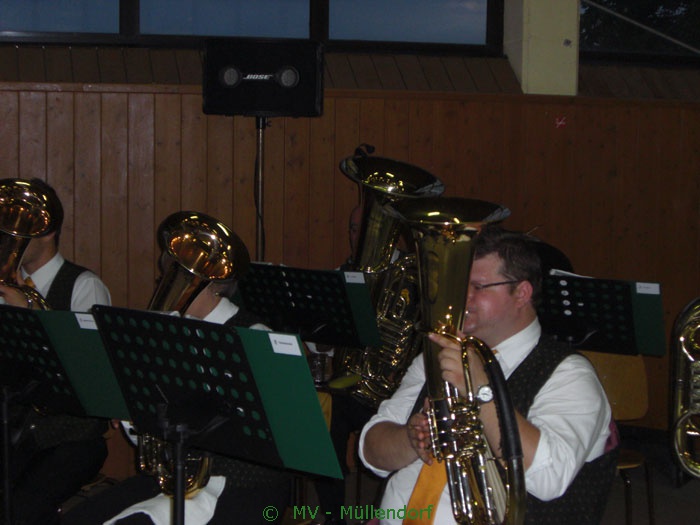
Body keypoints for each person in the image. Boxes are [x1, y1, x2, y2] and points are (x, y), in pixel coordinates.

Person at [359, 225, 619, 524]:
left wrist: (482, 389)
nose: (461, 297)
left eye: (478, 287)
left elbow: (549, 478)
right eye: (459, 284)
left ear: (521, 293)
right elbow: (370, 450)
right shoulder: (438, 353)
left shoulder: (570, 375)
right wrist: (411, 440)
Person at [61, 277, 291, 525]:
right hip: (174, 478)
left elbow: (272, 435)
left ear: (214, 283)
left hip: (240, 485)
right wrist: (136, 413)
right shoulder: (167, 332)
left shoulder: (253, 334)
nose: (169, 286)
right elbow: (151, 443)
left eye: (182, 277)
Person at [0, 178, 112, 525]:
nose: (7, 237)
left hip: (69, 437)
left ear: (48, 232)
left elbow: (89, 376)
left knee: (20, 510)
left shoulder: (84, 286)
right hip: (13, 429)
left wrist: (29, 316)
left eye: (18, 230)